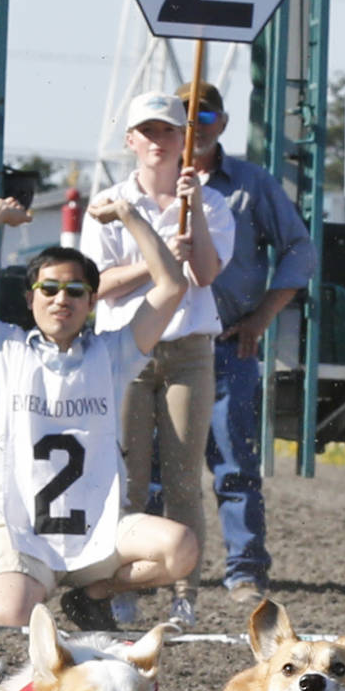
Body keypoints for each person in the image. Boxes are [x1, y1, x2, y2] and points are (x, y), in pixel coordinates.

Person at [0, 193, 198, 629]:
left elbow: (172, 286)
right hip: (22, 532)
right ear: (30, 297)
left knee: (180, 548)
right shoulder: (0, 348)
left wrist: (129, 216)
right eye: (48, 289)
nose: (61, 300)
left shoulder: (113, 354)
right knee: (7, 617)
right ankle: (19, 586)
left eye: (76, 291)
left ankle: (94, 597)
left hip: (99, 530)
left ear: (92, 303)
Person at [89, 91, 234, 630]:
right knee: (126, 475)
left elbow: (205, 274)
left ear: (183, 142)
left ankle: (184, 594)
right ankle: (121, 589)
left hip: (189, 350)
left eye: (168, 132)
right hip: (126, 346)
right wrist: (155, 263)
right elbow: (97, 284)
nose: (157, 141)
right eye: (147, 132)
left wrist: (190, 219)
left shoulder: (210, 203)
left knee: (181, 477)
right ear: (131, 140)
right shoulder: (108, 202)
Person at [191, 83, 316, 603]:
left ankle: (244, 570)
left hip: (227, 346)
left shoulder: (250, 184)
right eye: (184, 116)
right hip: (160, 347)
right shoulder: (148, 184)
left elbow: (299, 248)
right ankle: (147, 571)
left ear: (222, 122)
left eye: (206, 114)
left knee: (234, 463)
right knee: (147, 467)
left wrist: (262, 316)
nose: (195, 124)